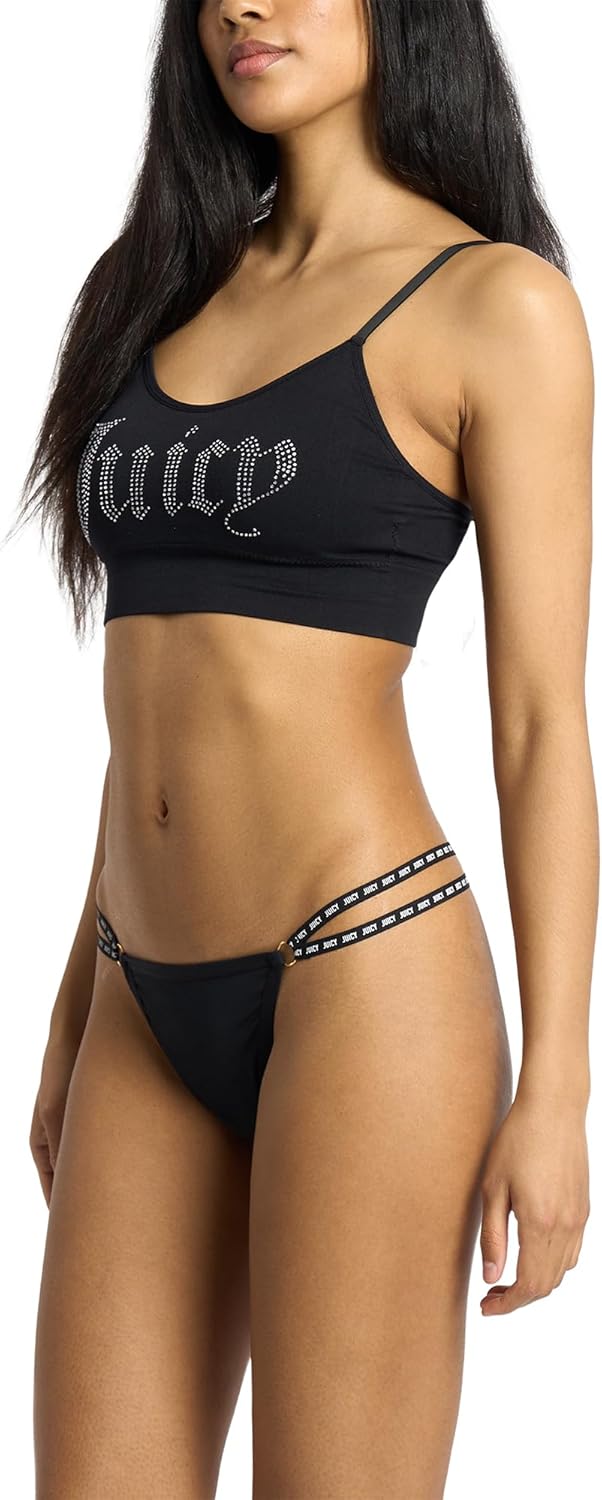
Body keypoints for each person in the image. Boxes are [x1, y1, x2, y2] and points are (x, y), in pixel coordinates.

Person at [11, 1, 596, 1496]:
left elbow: (538, 723)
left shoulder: (496, 304)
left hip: (363, 970)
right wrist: (77, 997)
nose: (242, 7)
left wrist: (557, 1091)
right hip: (139, 994)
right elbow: (151, 690)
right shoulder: (155, 286)